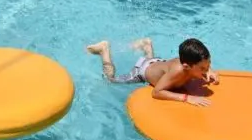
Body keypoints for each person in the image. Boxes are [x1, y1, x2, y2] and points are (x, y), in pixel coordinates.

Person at [86, 38, 218, 106]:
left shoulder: (191, 64)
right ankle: (104, 51)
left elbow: (202, 64)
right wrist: (187, 98)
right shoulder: (178, 72)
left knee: (156, 66)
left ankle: (146, 45)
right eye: (203, 68)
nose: (206, 70)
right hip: (142, 71)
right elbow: (157, 92)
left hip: (157, 63)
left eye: (208, 65)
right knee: (111, 80)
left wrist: (209, 71)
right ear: (187, 67)